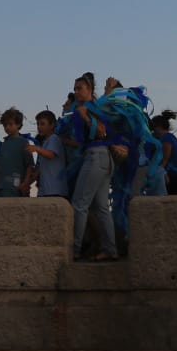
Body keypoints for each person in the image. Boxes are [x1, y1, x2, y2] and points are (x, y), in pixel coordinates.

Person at [64, 76, 116, 259]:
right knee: (101, 207)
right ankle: (110, 249)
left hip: (95, 157)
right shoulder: (94, 106)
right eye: (75, 89)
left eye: (80, 88)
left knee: (79, 204)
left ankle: (75, 250)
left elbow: (100, 131)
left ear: (89, 89)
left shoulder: (88, 108)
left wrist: (85, 117)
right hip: (104, 158)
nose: (76, 92)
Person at [0, 109, 32, 197]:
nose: (7, 127)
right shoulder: (3, 144)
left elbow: (29, 165)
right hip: (0, 187)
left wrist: (25, 183)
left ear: (18, 124)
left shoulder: (23, 143)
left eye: (10, 124)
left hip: (15, 188)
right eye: (5, 125)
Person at [28, 110, 67, 198]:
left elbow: (51, 155)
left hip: (54, 190)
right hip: (46, 190)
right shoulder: (46, 142)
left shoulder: (54, 139)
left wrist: (36, 149)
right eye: (38, 124)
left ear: (52, 125)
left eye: (42, 124)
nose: (39, 127)